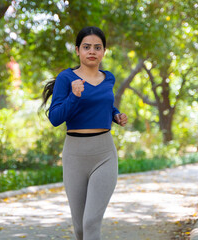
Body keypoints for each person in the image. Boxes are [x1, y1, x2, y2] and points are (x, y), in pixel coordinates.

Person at [41, 26, 127, 240]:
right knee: (80, 228)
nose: (92, 51)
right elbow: (55, 118)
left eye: (98, 47)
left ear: (104, 52)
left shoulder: (109, 78)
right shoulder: (66, 78)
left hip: (104, 153)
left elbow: (105, 106)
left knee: (91, 223)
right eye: (87, 47)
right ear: (78, 50)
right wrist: (74, 96)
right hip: (75, 155)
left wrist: (116, 115)